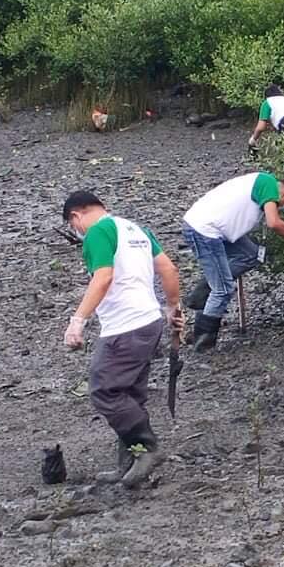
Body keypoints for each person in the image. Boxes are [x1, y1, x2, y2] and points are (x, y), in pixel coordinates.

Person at [62, 191, 183, 487]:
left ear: (76, 215)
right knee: (130, 395)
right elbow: (168, 267)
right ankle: (129, 462)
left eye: (72, 225)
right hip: (149, 321)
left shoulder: (97, 232)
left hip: (125, 326)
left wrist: (77, 321)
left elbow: (102, 277)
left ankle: (147, 448)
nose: (76, 232)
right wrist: (173, 308)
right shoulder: (136, 229)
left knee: (105, 392)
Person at [182, 173, 284, 351]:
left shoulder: (262, 186)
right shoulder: (268, 183)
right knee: (224, 289)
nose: (280, 208)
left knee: (254, 254)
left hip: (218, 230)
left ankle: (205, 288)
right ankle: (203, 341)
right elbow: (274, 223)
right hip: (205, 231)